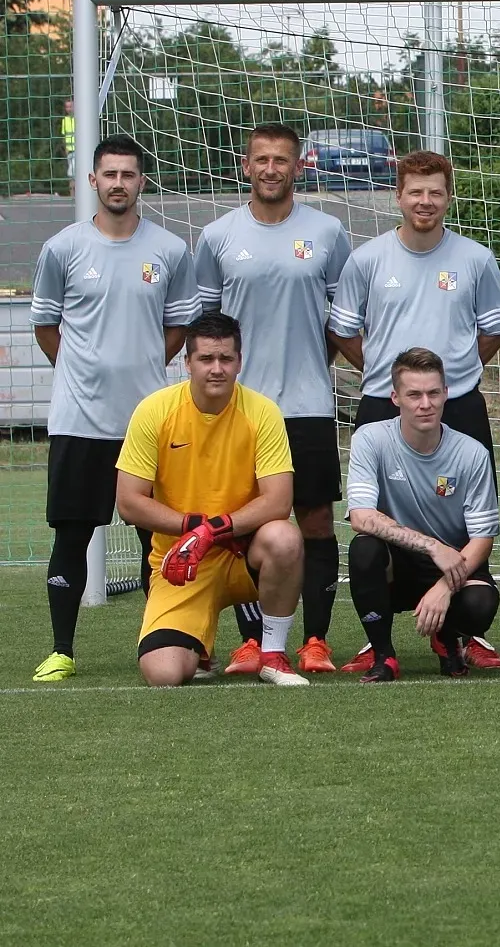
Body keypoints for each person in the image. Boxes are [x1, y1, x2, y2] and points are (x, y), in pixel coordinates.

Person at [328, 149, 500, 671]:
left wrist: (451, 381)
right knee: (373, 526)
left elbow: (495, 328)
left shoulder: (475, 258)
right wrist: (391, 380)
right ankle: (377, 636)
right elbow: (343, 329)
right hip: (385, 402)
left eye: (435, 192)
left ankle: (458, 628)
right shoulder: (368, 259)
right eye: (415, 192)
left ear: (449, 197)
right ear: (398, 196)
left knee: (468, 518)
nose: (425, 201)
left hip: (457, 402)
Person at [29, 133, 199, 682]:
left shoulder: (169, 250)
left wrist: (142, 367)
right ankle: (62, 649)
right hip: (79, 421)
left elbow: (179, 325)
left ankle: (162, 642)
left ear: (141, 181)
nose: (119, 183)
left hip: (147, 425)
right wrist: (81, 371)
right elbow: (45, 324)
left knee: (159, 540)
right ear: (93, 181)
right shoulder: (62, 248)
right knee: (72, 534)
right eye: (110, 174)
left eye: (128, 174)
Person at [195, 123, 353, 677]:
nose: (270, 169)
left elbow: (340, 321)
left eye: (281, 160)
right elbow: (207, 328)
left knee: (316, 520)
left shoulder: (328, 233)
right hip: (239, 411)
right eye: (261, 159)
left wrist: (309, 362)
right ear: (246, 165)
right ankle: (251, 642)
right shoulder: (217, 236)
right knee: (243, 527)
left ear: (298, 166)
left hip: (307, 403)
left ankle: (315, 640)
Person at [117, 312, 308, 687]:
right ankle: (198, 646)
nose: (217, 369)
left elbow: (278, 501)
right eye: (206, 358)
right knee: (164, 675)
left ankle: (272, 655)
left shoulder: (263, 412)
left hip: (242, 554)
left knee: (284, 537)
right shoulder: (154, 411)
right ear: (187, 362)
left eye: (225, 358)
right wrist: (193, 529)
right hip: (183, 561)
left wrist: (214, 530)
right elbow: (129, 502)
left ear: (239, 361)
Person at [344, 347, 500, 682]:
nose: (425, 404)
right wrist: (432, 547)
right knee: (364, 549)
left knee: (481, 604)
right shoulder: (370, 439)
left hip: (452, 564)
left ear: (446, 394)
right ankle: (383, 655)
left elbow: (482, 539)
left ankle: (447, 637)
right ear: (395, 398)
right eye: (414, 395)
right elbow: (361, 517)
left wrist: (445, 586)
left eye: (433, 393)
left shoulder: (472, 453)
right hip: (398, 563)